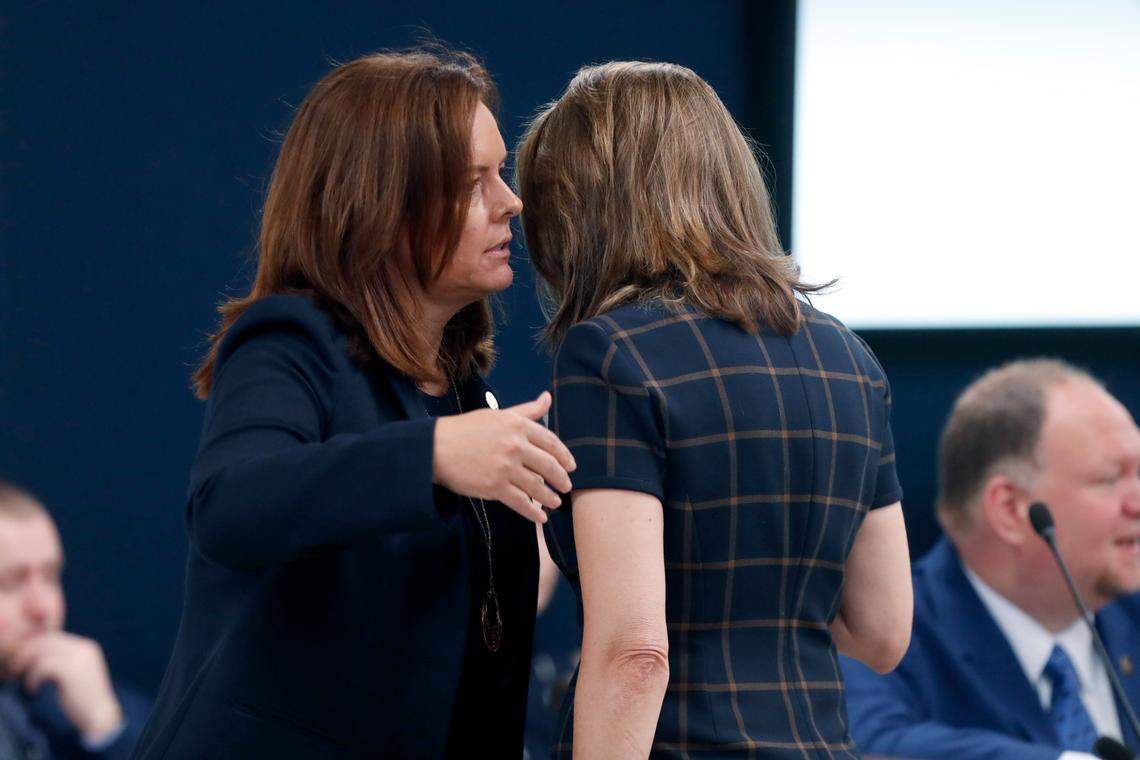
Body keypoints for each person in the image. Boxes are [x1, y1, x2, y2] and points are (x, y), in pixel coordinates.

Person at [133, 47, 575, 759]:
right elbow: (229, 506)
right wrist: (434, 455)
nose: (512, 202)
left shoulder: (461, 387)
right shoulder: (289, 340)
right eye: (474, 183)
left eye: (502, 173)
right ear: (385, 207)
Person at [516, 61, 913, 757]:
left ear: (583, 212)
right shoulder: (849, 360)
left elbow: (635, 653)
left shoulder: (610, 356)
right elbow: (883, 633)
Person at [841, 359, 1140, 759]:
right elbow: (867, 744)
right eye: (1110, 479)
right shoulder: (889, 630)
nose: (1136, 502)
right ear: (1010, 508)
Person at [0, 482, 150, 760]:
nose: (43, 607)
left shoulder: (90, 700)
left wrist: (106, 728)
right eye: (9, 583)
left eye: (51, 576)